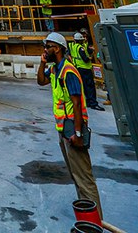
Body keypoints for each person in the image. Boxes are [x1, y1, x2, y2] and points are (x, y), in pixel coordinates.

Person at [37, 31, 102, 217]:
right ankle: (87, 218)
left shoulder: (68, 71)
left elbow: (77, 103)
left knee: (84, 179)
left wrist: (78, 133)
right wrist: (42, 63)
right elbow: (41, 81)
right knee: (76, 176)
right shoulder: (56, 69)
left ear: (56, 49)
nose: (45, 50)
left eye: (47, 46)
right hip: (64, 129)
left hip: (73, 129)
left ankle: (95, 222)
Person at [70, 32, 104, 111]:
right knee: (90, 86)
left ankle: (88, 101)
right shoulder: (80, 48)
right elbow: (85, 59)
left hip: (78, 68)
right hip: (85, 68)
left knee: (85, 86)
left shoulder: (73, 46)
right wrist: (91, 56)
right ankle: (93, 103)